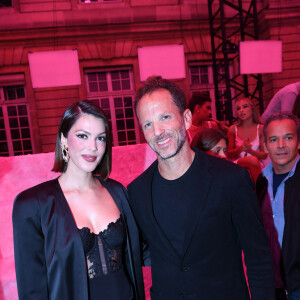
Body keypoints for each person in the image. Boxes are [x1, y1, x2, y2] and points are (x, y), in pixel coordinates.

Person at [127, 76, 275, 300]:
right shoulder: (137, 192)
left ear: (186, 118)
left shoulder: (230, 179)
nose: (157, 131)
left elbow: (259, 259)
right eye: (148, 124)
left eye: (165, 117)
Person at [12, 101, 145, 300]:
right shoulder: (32, 205)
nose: (93, 147)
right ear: (64, 140)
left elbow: (139, 253)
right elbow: (32, 289)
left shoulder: (118, 192)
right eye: (82, 136)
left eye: (100, 138)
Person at [256, 112, 300, 300]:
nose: (281, 146)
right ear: (265, 145)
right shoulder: (261, 181)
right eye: (273, 140)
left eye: (288, 138)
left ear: (298, 141)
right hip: (273, 285)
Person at [227, 97, 267, 182]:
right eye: (238, 108)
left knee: (254, 161)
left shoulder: (261, 128)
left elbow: (264, 155)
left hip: (256, 164)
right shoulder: (233, 129)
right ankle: (261, 192)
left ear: (252, 109)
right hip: (238, 163)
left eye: (245, 106)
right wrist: (241, 148)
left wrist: (251, 151)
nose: (241, 110)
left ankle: (258, 191)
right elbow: (228, 154)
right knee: (252, 160)